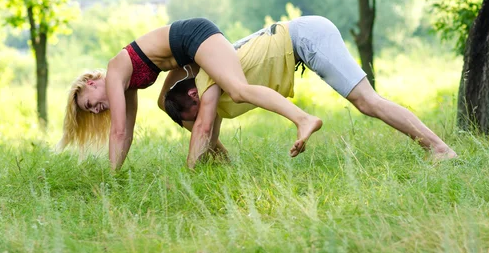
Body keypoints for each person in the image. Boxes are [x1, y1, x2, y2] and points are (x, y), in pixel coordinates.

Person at [162, 16, 457, 167]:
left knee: (367, 102)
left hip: (307, 35)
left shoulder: (208, 78)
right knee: (368, 102)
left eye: (195, 113)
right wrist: (221, 173)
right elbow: (210, 139)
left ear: (193, 96)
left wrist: (189, 178)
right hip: (304, 35)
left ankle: (440, 149)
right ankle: (438, 149)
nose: (203, 117)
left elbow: (202, 132)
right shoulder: (216, 82)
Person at [58, 17, 322, 169]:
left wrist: (110, 180)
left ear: (92, 84)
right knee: (165, 102)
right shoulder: (127, 86)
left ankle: (303, 119)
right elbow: (126, 134)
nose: (96, 110)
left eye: (90, 104)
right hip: (185, 56)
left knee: (238, 90)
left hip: (193, 37)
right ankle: (219, 158)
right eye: (90, 111)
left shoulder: (115, 71)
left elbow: (117, 131)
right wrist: (116, 174)